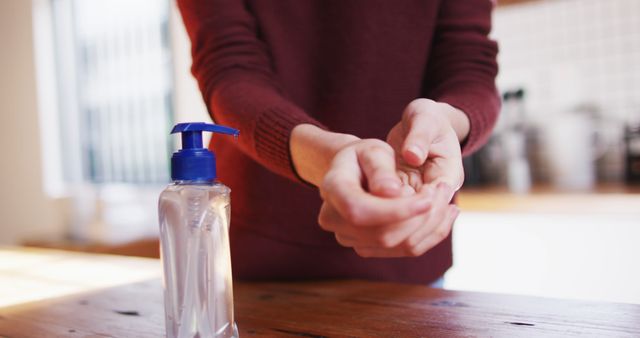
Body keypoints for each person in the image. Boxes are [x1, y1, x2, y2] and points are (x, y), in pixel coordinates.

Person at [177, 0, 500, 284]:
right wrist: (328, 157)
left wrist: (447, 122)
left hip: (411, 257)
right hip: (264, 259)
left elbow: (469, 63)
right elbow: (229, 68)